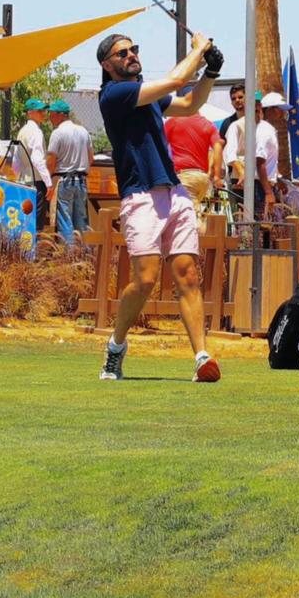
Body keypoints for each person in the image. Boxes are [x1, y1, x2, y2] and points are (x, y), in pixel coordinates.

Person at [96, 29, 224, 384]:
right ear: (107, 65)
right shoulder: (114, 94)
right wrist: (199, 50)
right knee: (146, 279)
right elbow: (178, 80)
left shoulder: (147, 93)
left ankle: (201, 357)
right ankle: (115, 347)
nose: (131, 55)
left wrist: (211, 73)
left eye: (134, 49)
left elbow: (190, 104)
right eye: (122, 53)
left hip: (174, 190)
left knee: (188, 274)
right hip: (140, 195)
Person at [164, 98, 224, 214]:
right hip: (203, 178)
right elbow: (218, 146)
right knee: (196, 213)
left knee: (188, 216)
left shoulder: (173, 121)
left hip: (185, 177)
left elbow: (160, 145)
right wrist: (217, 176)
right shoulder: (208, 124)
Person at [45, 100, 92, 242]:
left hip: (63, 180)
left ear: (61, 115)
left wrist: (49, 181)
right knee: (81, 220)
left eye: (51, 114)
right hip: (81, 181)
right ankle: (84, 251)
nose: (49, 117)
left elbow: (51, 161)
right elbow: (91, 158)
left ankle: (68, 252)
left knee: (65, 219)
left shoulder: (57, 133)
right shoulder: (83, 131)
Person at [15, 98, 52, 221]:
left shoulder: (22, 131)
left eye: (44, 111)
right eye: (40, 111)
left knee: (25, 220)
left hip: (24, 181)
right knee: (36, 223)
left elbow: (16, 159)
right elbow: (37, 159)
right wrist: (48, 182)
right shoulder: (36, 132)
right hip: (37, 182)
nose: (43, 113)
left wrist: (16, 178)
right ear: (30, 113)